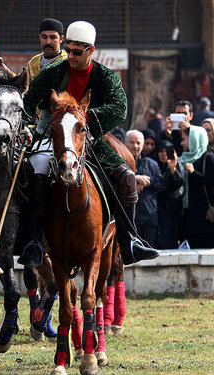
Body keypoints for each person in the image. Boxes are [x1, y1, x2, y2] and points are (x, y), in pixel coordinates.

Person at [21, 20, 159, 266]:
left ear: (91, 51)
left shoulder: (105, 76)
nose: (70, 55)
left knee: (127, 178)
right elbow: (29, 99)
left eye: (77, 52)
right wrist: (30, 126)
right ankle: (32, 241)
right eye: (69, 49)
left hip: (90, 138)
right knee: (36, 173)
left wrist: (84, 120)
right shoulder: (53, 72)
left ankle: (130, 242)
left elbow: (120, 108)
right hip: (54, 138)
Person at [178, 119, 214, 248]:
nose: (182, 143)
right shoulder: (183, 159)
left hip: (204, 216)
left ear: (194, 140)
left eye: (185, 139)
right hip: (189, 213)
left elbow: (211, 181)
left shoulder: (208, 158)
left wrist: (194, 173)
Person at [126, 130, 165, 248]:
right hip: (129, 218)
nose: (135, 146)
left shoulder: (152, 164)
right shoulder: (120, 163)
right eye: (132, 142)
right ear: (125, 143)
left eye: (138, 143)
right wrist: (135, 178)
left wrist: (148, 182)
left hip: (149, 217)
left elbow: (161, 183)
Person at [156, 140, 185, 248]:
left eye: (167, 152)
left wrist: (172, 168)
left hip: (174, 206)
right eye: (161, 151)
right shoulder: (155, 165)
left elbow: (179, 182)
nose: (164, 154)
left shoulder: (176, 166)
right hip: (160, 205)